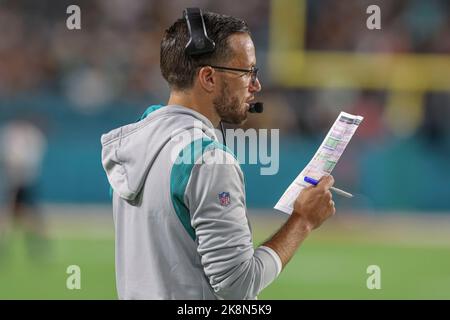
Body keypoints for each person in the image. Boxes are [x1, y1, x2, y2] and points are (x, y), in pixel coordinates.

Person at [101, 9, 335, 300]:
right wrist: (303, 220)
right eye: (246, 71)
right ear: (208, 78)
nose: (255, 85)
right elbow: (237, 286)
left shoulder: (137, 143)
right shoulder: (209, 161)